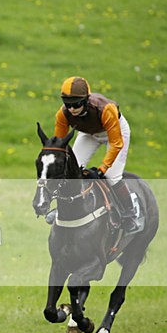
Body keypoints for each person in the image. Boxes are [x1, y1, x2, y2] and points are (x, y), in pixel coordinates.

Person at [54, 76, 144, 233]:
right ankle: (61, 208)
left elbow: (116, 144)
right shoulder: (62, 114)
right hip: (88, 133)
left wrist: (102, 169)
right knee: (69, 172)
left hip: (115, 133)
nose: (72, 109)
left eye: (76, 104)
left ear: (87, 100)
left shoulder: (105, 109)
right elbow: (60, 144)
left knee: (112, 176)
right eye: (68, 104)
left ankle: (130, 213)